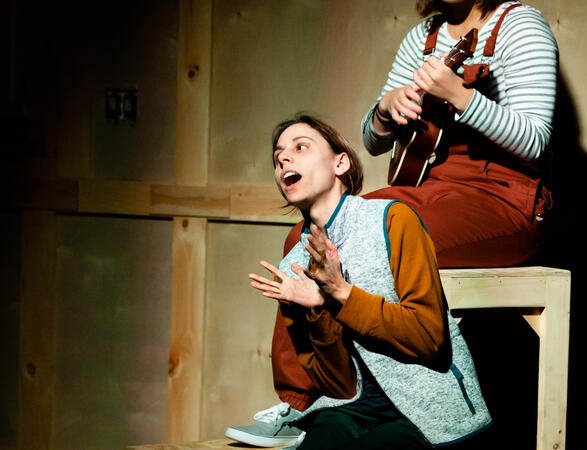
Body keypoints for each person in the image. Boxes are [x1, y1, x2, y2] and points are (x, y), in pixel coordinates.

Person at [232, 0, 558, 446]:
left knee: (369, 239)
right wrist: (385, 110)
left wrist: (459, 96)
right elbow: (373, 138)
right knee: (309, 234)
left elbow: (535, 140)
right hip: (430, 190)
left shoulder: (520, 24)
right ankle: (303, 400)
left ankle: (371, 404)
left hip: (502, 200)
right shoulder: (425, 35)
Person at [226, 114, 491, 449]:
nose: (283, 159)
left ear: (340, 163)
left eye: (300, 147)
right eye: (278, 156)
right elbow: (339, 387)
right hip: (351, 408)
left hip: (428, 410)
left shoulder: (393, 220)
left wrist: (341, 293)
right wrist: (319, 310)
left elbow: (430, 338)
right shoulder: (294, 267)